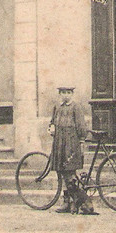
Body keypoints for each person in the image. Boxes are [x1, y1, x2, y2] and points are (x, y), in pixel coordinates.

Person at [48, 86, 95, 215]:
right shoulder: (57, 107)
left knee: (70, 173)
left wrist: (81, 141)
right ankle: (67, 201)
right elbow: (52, 121)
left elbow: (81, 126)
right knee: (62, 172)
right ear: (60, 94)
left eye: (68, 93)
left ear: (72, 94)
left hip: (71, 143)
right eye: (63, 93)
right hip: (59, 142)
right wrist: (51, 127)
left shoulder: (76, 107)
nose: (66, 95)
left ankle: (78, 202)